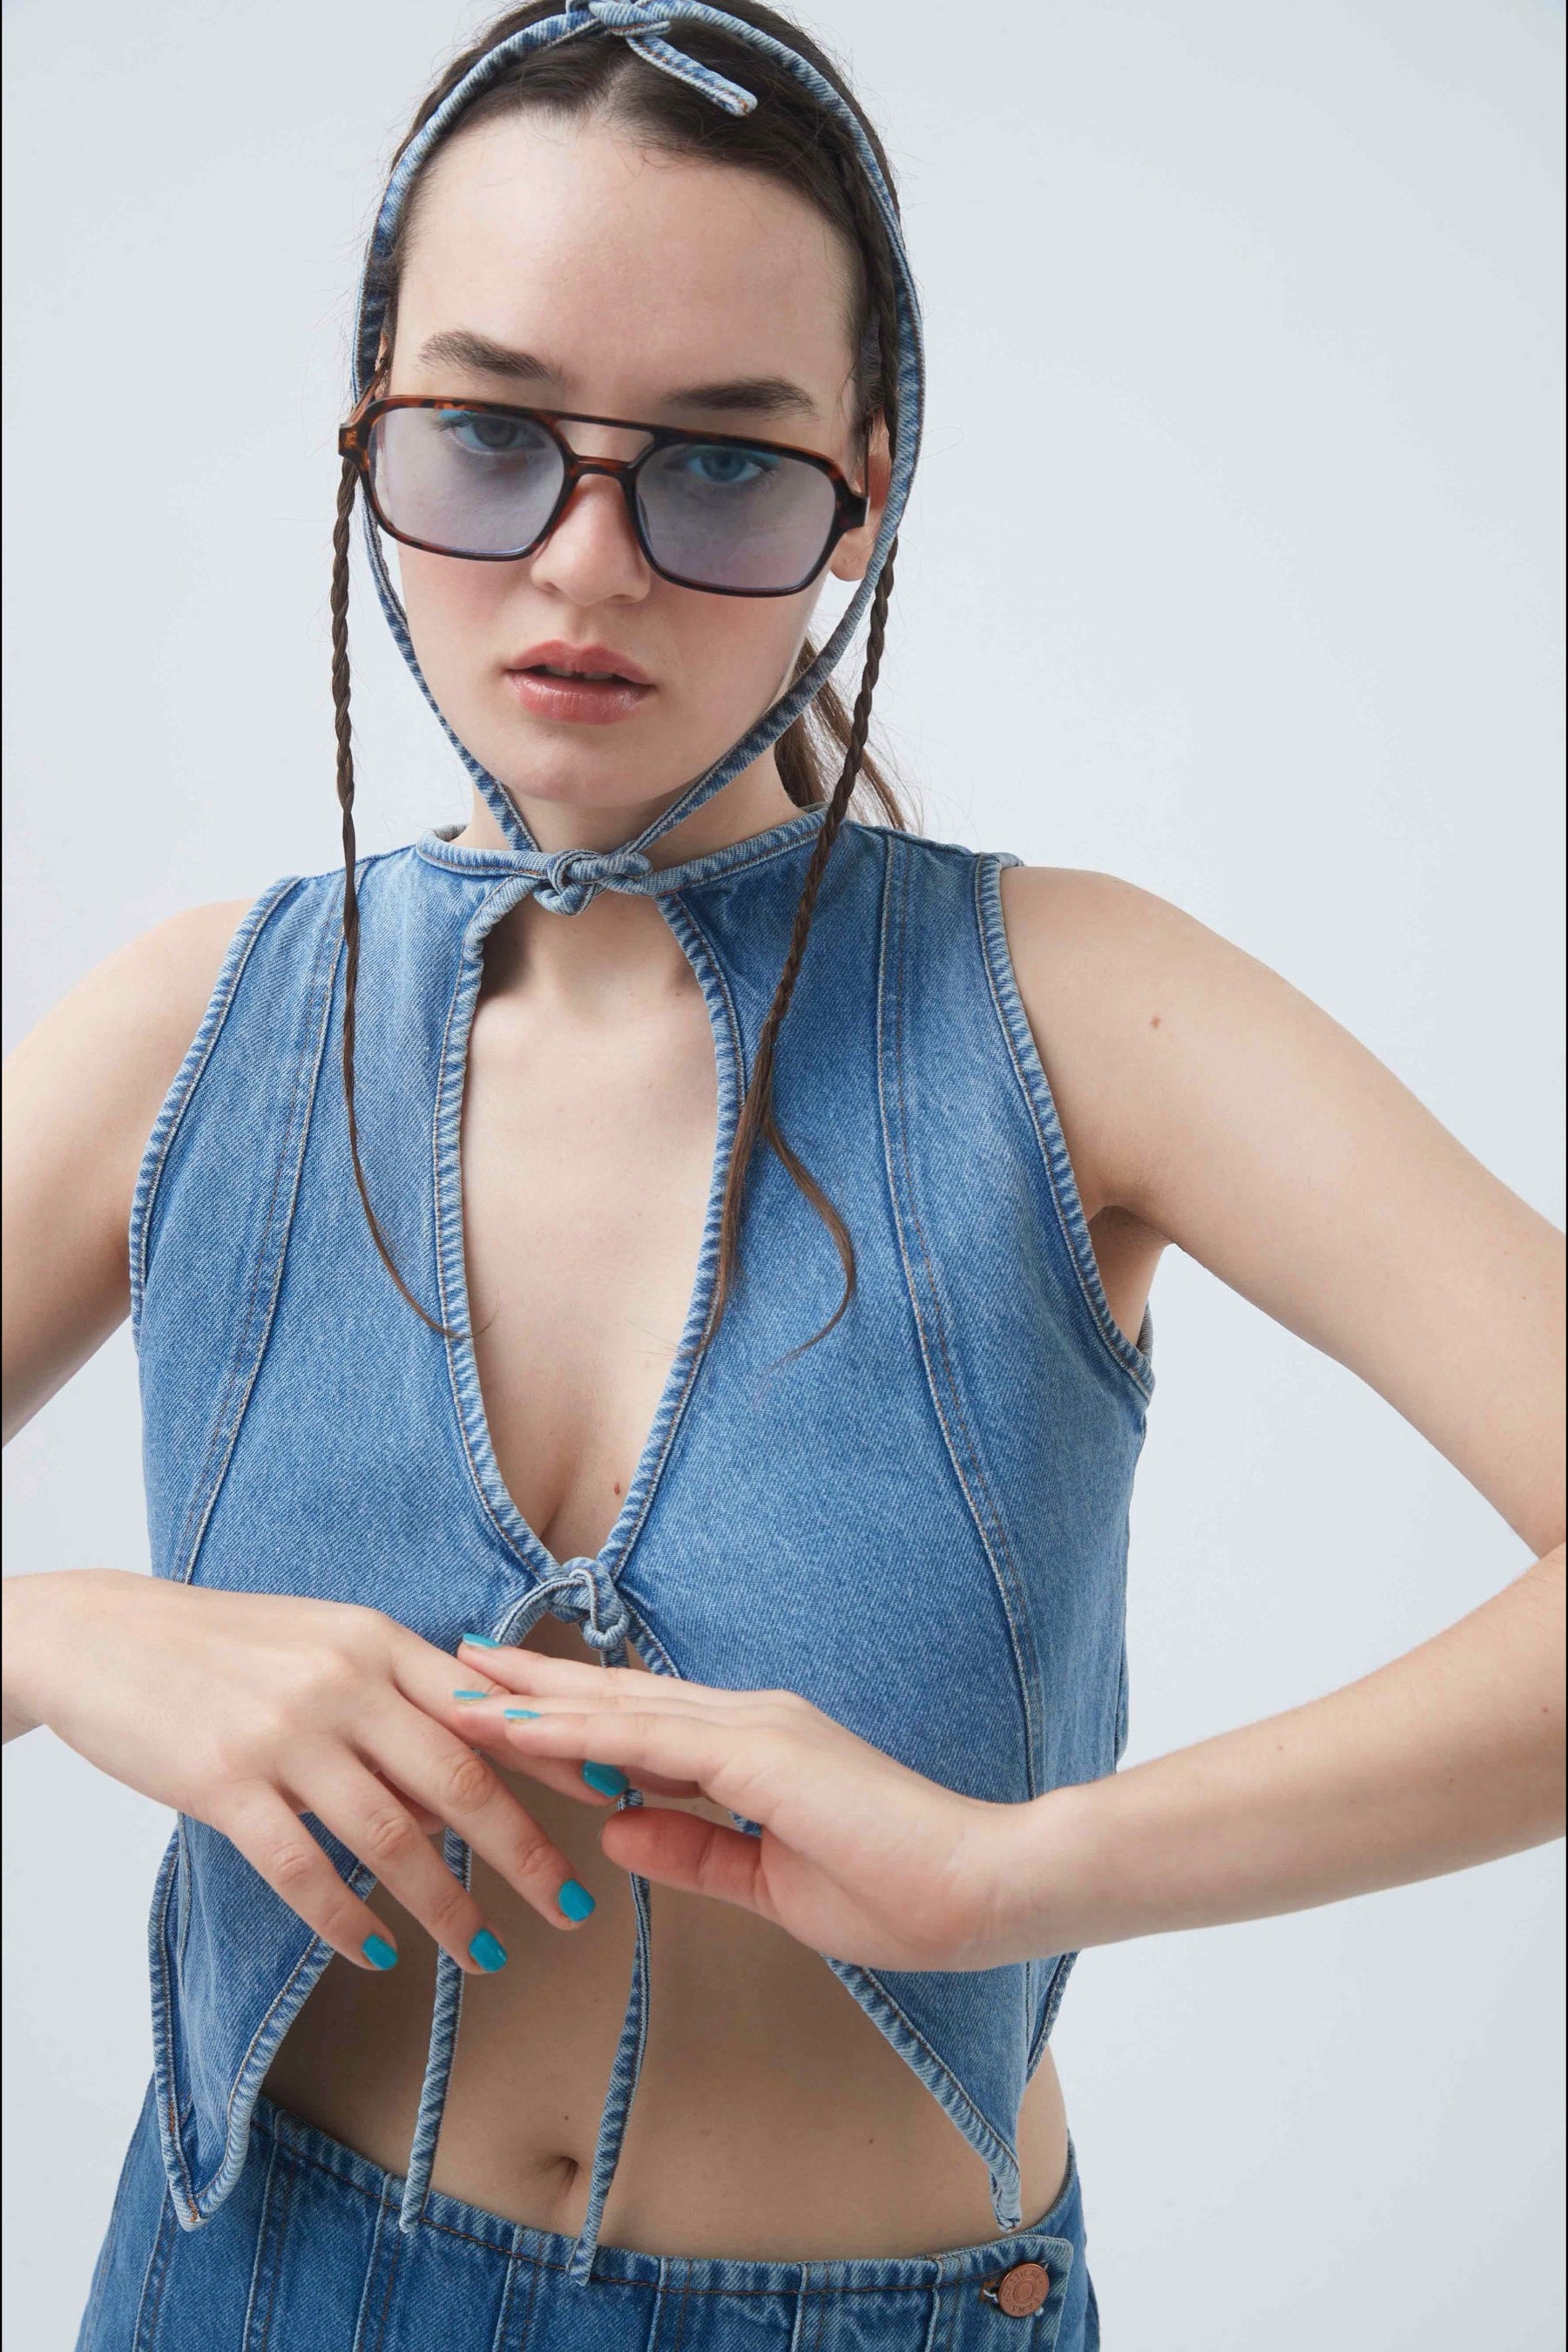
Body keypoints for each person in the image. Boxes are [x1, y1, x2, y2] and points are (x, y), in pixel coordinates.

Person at [3, 3, 1562, 2347]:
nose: (588, 565)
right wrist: (42, 1632)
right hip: (240, 2284)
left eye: (722, 468)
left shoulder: (1077, 1016)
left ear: (867, 483)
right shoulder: (198, 1031)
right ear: (370, 425)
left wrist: (1023, 1873)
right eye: (488, 437)